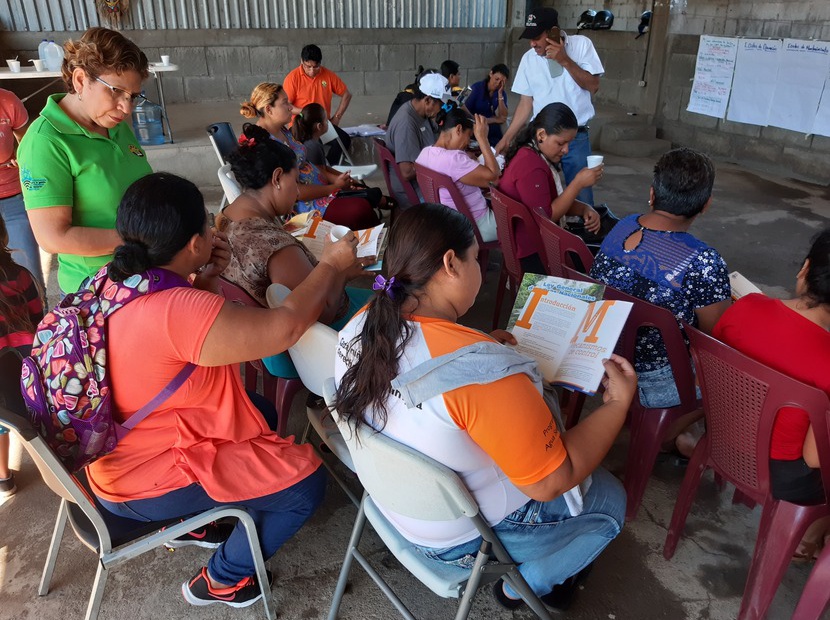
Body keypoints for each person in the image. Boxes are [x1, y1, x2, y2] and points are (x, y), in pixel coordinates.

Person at [334, 203, 635, 611]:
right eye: (476, 257)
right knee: (613, 503)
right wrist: (616, 405)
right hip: (464, 541)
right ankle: (522, 586)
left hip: (394, 509)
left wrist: (480, 346)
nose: (480, 267)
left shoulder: (362, 323)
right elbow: (551, 482)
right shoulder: (484, 376)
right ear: (450, 264)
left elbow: (422, 369)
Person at [87, 171, 360, 608]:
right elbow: (284, 326)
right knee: (306, 485)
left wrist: (207, 280)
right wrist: (330, 265)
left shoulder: (118, 279)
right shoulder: (177, 310)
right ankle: (223, 579)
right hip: (140, 482)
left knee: (258, 412)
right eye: (208, 224)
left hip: (113, 454)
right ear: (195, 242)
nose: (216, 229)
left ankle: (201, 518)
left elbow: (175, 338)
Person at [590, 148, 731, 453]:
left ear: (652, 194)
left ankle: (677, 430)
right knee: (738, 379)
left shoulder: (624, 226)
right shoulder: (704, 262)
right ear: (705, 206)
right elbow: (715, 337)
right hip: (655, 384)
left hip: (603, 361)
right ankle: (667, 433)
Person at [713, 229, 830, 561]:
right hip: (779, 476)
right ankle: (812, 534)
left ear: (805, 270)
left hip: (721, 438)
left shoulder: (745, 306)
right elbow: (814, 459)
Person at [17, 27, 153, 295]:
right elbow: (53, 236)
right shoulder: (46, 141)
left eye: (133, 96)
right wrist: (143, 240)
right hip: (98, 288)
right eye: (115, 91)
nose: (126, 108)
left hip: (142, 272)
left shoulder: (115, 123)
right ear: (80, 80)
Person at [495, 7, 604, 207]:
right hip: (542, 138)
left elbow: (593, 85)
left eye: (537, 36)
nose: (532, 43)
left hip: (575, 138)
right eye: (529, 37)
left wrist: (564, 60)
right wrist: (507, 138)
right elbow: (526, 103)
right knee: (541, 194)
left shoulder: (581, 46)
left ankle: (581, 234)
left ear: (553, 32)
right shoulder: (529, 59)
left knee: (581, 194)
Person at [240, 82, 379, 230]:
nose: (290, 107)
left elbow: (309, 165)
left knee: (365, 195)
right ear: (269, 109)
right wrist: (333, 187)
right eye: (285, 103)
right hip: (303, 208)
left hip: (322, 191)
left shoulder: (282, 130)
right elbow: (294, 192)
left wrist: (335, 181)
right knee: (359, 209)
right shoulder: (264, 143)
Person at [499, 102, 601, 274]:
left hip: (528, 243)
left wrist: (584, 208)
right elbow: (547, 217)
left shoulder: (530, 153)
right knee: (600, 264)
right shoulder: (531, 166)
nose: (566, 150)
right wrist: (577, 183)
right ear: (541, 135)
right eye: (561, 143)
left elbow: (550, 201)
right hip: (533, 253)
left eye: (569, 143)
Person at [0, 214, 44, 497]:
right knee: (37, 420)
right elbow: (40, 321)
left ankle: (4, 478)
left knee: (2, 424)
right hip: (25, 366)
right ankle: (57, 467)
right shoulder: (20, 276)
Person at [415, 108, 499, 242]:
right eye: (469, 136)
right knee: (518, 224)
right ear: (458, 129)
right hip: (475, 225)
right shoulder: (454, 159)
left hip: (445, 221)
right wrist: (483, 139)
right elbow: (494, 179)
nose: (468, 143)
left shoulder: (424, 153)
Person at [0, 88, 44, 292]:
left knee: (29, 279)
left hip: (14, 199)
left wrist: (20, 155)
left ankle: (39, 321)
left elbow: (27, 144)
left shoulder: (7, 101)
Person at [386, 73, 450, 208]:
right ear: (427, 100)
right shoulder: (407, 124)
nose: (442, 109)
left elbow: (437, 135)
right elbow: (407, 172)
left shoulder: (422, 113)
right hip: (412, 190)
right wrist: (438, 162)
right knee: (454, 203)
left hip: (422, 182)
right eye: (441, 104)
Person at [283, 44, 352, 166]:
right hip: (300, 124)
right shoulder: (292, 78)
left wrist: (337, 117)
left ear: (320, 63)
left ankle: (328, 167)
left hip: (322, 124)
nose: (312, 71)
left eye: (316, 67)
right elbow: (287, 105)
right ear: (301, 61)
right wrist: (304, 113)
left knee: (344, 140)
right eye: (308, 66)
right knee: (309, 147)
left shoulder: (328, 75)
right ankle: (311, 170)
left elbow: (347, 95)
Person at [462, 64, 510, 148]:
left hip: (489, 126)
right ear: (491, 74)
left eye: (502, 81)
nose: (498, 83)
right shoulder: (476, 89)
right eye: (496, 79)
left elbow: (503, 116)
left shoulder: (501, 92)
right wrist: (493, 120)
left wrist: (500, 95)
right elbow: (465, 113)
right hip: (474, 124)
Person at [290, 102, 328, 167]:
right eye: (326, 120)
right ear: (319, 126)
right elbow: (322, 172)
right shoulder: (313, 147)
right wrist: (339, 177)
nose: (328, 123)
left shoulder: (312, 140)